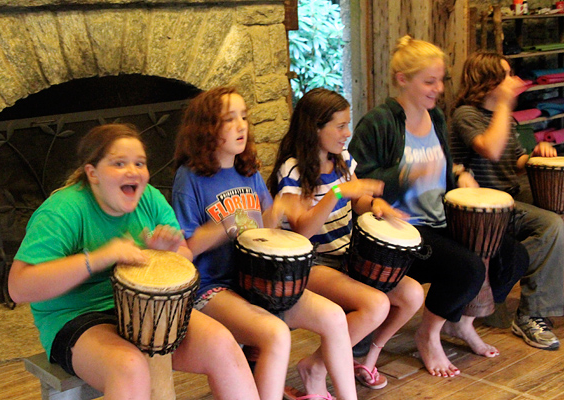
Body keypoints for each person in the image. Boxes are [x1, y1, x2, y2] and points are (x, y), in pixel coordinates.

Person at [8, 123, 260, 400]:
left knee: (222, 343)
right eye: (119, 163)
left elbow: (185, 253)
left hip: (148, 309)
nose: (133, 171)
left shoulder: (148, 197)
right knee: (130, 368)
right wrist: (101, 257)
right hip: (75, 316)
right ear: (92, 173)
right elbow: (19, 288)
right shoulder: (63, 211)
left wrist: (167, 252)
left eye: (140, 163)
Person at [348, 36, 528, 377]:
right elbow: (360, 185)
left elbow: (444, 168)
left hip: (440, 219)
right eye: (429, 81)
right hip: (402, 229)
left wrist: (459, 175)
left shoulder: (438, 120)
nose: (439, 88)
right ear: (403, 79)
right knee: (469, 268)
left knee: (513, 255)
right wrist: (407, 173)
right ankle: (428, 334)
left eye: (441, 80)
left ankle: (459, 322)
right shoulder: (379, 123)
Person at [172, 87, 357, 400]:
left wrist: (279, 210)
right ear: (206, 128)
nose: (242, 125)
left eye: (244, 117)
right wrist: (228, 224)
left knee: (335, 317)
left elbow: (264, 230)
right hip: (213, 289)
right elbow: (186, 250)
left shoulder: (249, 172)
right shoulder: (189, 178)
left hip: (257, 280)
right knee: (276, 334)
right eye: (229, 119)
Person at [268, 87, 424, 390]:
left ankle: (368, 358)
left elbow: (358, 201)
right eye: (340, 126)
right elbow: (303, 230)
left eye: (347, 124)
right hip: (313, 263)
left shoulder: (342, 159)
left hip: (347, 253)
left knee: (412, 295)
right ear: (315, 128)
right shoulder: (293, 169)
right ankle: (316, 366)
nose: (347, 133)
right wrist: (339, 193)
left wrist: (374, 205)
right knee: (376, 305)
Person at [451, 51, 564, 351]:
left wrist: (537, 153)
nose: (513, 81)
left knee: (559, 220)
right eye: (505, 76)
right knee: (552, 226)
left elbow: (514, 160)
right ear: (487, 82)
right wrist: (503, 105)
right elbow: (490, 149)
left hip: (510, 195)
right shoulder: (466, 114)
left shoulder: (506, 118)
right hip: (484, 206)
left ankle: (519, 277)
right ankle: (530, 313)